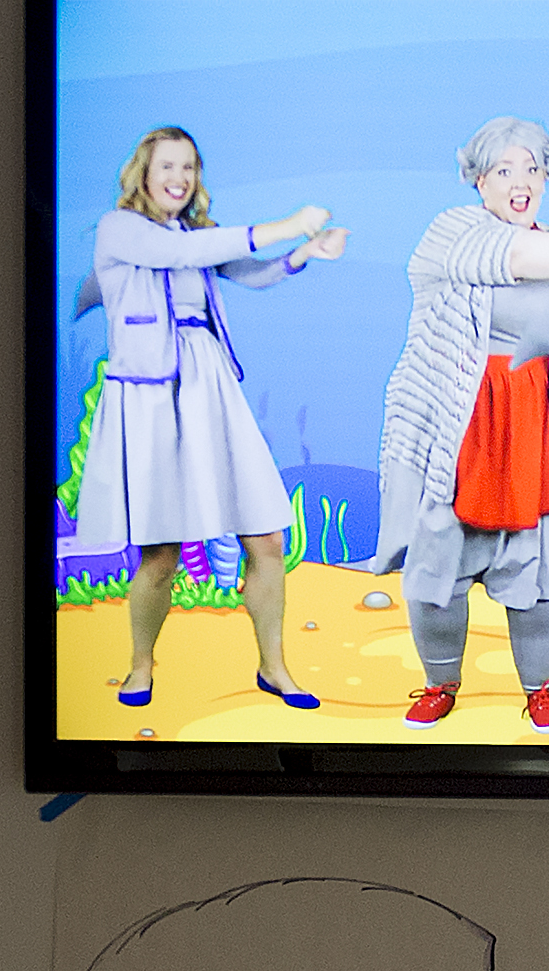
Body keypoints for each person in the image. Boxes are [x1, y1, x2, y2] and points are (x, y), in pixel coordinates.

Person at [73, 125, 347, 712]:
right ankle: (140, 665)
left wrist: (302, 252)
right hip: (151, 396)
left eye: (189, 167)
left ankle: (274, 667)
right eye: (168, 166)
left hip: (210, 386)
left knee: (267, 538)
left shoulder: (195, 235)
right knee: (161, 551)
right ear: (142, 173)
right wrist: (290, 223)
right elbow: (185, 254)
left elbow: (248, 272)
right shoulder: (119, 229)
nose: (179, 178)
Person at [371, 117, 549, 730]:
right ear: (479, 181)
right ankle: (439, 683)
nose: (521, 182)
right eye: (505, 170)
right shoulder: (452, 232)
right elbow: (516, 256)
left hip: (532, 427)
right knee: (438, 566)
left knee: (537, 568)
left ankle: (538, 688)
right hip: (461, 429)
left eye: (532, 169)